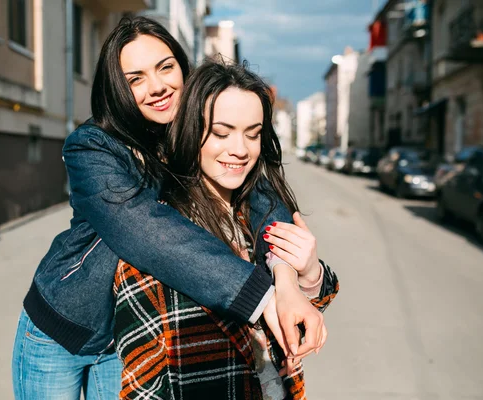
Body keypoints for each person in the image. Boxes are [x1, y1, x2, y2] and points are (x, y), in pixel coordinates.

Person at [12, 17, 327, 400]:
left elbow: (261, 192)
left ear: (183, 67)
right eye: (136, 78)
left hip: (127, 335)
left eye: (165, 67)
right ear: (118, 88)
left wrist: (287, 275)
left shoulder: (196, 128)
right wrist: (263, 296)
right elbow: (142, 226)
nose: (158, 86)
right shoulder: (93, 146)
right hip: (65, 325)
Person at [113, 60, 339, 399]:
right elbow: (142, 383)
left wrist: (308, 276)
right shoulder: (158, 235)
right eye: (221, 133)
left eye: (253, 133)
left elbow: (292, 321)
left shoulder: (259, 213)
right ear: (191, 130)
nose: (241, 149)